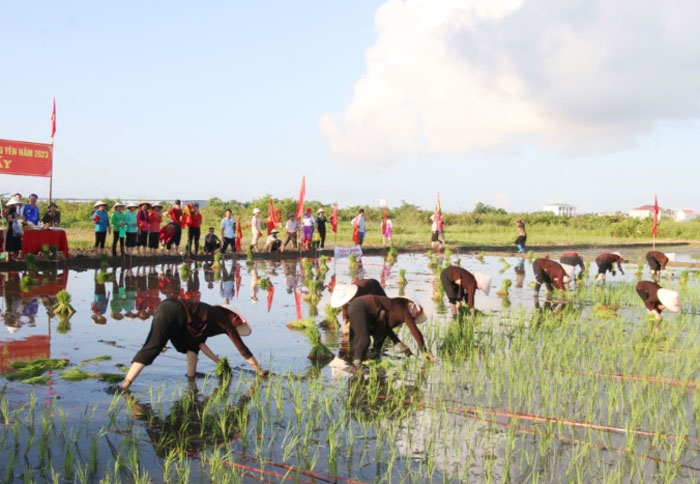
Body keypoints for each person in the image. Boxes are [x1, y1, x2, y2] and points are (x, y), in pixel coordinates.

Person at [116, 299, 268, 390]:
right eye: (238, 323)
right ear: (233, 317)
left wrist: (219, 362)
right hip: (172, 311)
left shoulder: (208, 317)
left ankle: (191, 377)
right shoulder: (223, 320)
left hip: (173, 310)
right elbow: (242, 348)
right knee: (154, 346)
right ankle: (125, 383)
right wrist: (258, 370)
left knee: (192, 345)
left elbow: (200, 343)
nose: (236, 326)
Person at [337, 294, 434, 369]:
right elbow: (415, 331)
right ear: (410, 304)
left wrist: (401, 345)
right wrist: (424, 351)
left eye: (416, 316)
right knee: (364, 340)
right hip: (360, 306)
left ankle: (367, 356)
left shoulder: (395, 310)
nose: (414, 316)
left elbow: (386, 328)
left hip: (361, 310)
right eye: (416, 311)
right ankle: (356, 366)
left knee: (379, 333)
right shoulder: (402, 308)